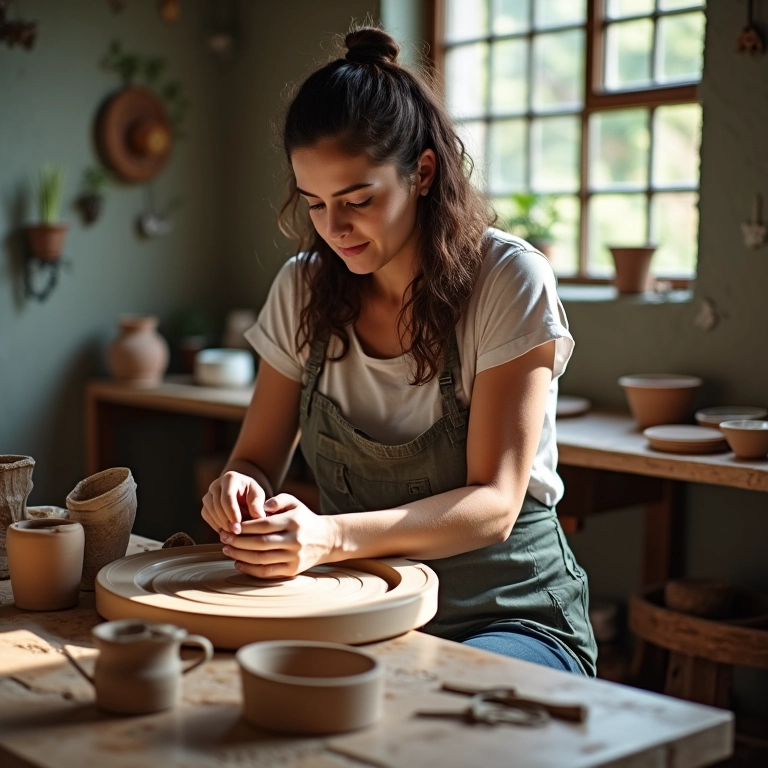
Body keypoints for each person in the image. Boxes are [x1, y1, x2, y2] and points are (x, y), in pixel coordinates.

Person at [201, 26, 597, 676]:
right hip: (360, 608)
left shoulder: (507, 278)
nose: (334, 228)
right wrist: (238, 486)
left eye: (358, 200)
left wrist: (329, 536)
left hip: (506, 613)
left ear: (423, 172)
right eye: (315, 203)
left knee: (425, 707)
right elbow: (255, 458)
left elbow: (495, 505)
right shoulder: (302, 288)